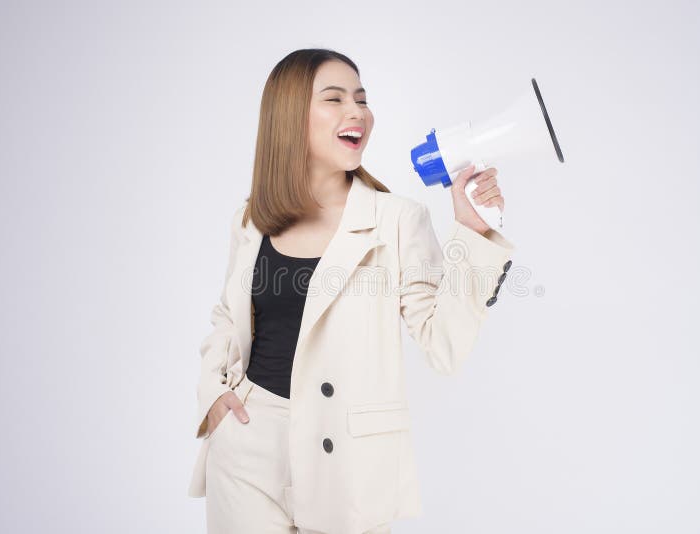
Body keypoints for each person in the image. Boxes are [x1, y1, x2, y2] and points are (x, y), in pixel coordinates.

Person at [187, 48, 515, 534]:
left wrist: (472, 234)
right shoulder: (252, 217)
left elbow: (443, 345)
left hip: (346, 458)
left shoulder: (398, 220)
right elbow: (226, 316)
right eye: (335, 99)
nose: (356, 112)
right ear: (290, 117)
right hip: (247, 446)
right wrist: (213, 394)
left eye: (361, 99)